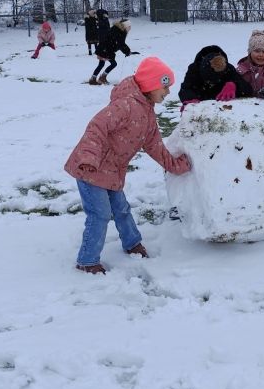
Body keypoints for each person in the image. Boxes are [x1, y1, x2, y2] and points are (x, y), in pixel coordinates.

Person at [65, 57, 192, 274]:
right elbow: (97, 127)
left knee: (122, 209)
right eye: (165, 86)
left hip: (112, 172)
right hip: (90, 169)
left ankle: (132, 243)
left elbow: (155, 147)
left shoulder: (147, 114)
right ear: (150, 85)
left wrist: (176, 165)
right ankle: (87, 260)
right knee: (100, 214)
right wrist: (88, 157)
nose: (168, 92)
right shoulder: (124, 105)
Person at [178, 44, 253, 106]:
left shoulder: (228, 69)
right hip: (200, 108)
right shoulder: (194, 69)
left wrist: (235, 85)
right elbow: (185, 90)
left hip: (223, 109)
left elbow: (248, 90)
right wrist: (190, 99)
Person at [90, 19, 136, 85]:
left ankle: (93, 78)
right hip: (106, 50)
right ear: (125, 26)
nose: (130, 28)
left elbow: (118, 43)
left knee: (101, 64)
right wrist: (128, 52)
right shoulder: (120, 31)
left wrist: (126, 51)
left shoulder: (116, 29)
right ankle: (102, 78)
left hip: (103, 48)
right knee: (113, 64)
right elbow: (121, 44)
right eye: (129, 26)